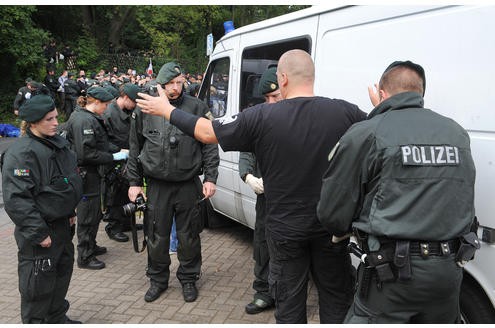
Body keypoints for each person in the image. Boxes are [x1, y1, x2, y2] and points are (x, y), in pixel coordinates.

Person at [135, 49, 367, 323]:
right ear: (312, 76)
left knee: (290, 302)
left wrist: (168, 111)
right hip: (330, 228)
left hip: (285, 231)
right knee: (336, 300)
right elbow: (381, 135)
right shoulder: (346, 112)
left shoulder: (261, 116)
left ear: (282, 79)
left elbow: (207, 132)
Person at [317, 60, 478, 323]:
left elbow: (332, 212)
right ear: (420, 94)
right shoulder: (456, 133)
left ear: (381, 94)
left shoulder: (367, 132)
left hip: (391, 276)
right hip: (447, 272)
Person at [127, 61, 219, 303]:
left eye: (180, 83)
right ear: (160, 84)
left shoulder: (196, 107)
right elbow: (135, 147)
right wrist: (134, 182)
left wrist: (210, 177)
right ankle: (158, 280)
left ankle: (188, 279)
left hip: (188, 183)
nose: (176, 88)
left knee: (189, 236)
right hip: (157, 185)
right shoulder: (145, 108)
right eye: (171, 84)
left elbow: (209, 144)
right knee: (157, 235)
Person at [1, 94, 83, 323]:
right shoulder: (23, 153)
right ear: (33, 122)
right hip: (41, 233)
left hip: (61, 227)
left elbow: (64, 181)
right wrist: (38, 232)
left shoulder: (55, 143)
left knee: (60, 276)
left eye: (56, 117)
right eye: (49, 119)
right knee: (37, 288)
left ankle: (57, 318)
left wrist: (69, 213)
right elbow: (17, 198)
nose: (56, 122)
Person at [65, 86, 126, 270]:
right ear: (96, 102)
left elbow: (101, 142)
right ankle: (85, 255)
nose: (107, 108)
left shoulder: (88, 117)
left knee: (95, 213)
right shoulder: (83, 121)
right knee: (87, 216)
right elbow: (86, 154)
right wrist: (112, 157)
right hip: (85, 174)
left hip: (92, 174)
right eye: (106, 105)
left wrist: (117, 149)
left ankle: (91, 245)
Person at [238, 66, 281, 315]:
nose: (270, 103)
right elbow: (247, 150)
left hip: (290, 197)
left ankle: (284, 294)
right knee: (262, 245)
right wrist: (248, 175)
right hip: (265, 197)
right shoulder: (258, 118)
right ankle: (264, 292)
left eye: (275, 97)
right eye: (266, 98)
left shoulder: (301, 117)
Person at [102, 83, 140, 243]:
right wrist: (119, 150)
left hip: (128, 159)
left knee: (126, 192)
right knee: (114, 195)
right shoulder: (109, 113)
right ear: (125, 98)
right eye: (134, 101)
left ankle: (126, 223)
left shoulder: (129, 111)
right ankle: (113, 227)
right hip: (114, 160)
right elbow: (102, 140)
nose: (136, 105)